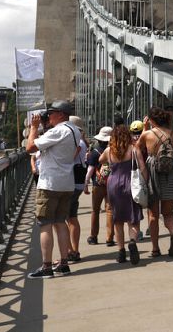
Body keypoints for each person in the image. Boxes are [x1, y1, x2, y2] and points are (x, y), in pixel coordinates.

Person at [25, 100, 82, 279]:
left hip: (50, 184)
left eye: (52, 113)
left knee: (45, 224)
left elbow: (30, 148)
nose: (48, 116)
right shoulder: (74, 131)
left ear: (62, 114)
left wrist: (33, 128)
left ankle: (47, 267)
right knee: (60, 222)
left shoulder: (59, 130)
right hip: (66, 183)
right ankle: (64, 263)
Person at [136, 107, 173, 257]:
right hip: (170, 174)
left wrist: (145, 128)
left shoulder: (147, 134)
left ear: (151, 120)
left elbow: (136, 150)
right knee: (168, 213)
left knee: (153, 214)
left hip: (152, 175)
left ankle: (155, 249)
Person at [99, 124, 146, 265]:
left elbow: (100, 160)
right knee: (133, 218)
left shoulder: (109, 150)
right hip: (130, 184)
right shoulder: (133, 149)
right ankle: (132, 241)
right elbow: (142, 167)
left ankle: (120, 252)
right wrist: (146, 184)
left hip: (113, 185)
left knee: (118, 220)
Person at [85, 126, 114, 247]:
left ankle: (93, 236)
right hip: (111, 183)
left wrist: (86, 183)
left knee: (95, 210)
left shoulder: (94, 151)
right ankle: (109, 238)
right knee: (110, 211)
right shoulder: (114, 150)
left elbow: (90, 170)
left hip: (98, 184)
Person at [66, 116, 88, 262]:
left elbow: (67, 160)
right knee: (72, 217)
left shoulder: (77, 142)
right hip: (78, 182)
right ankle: (75, 250)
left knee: (62, 219)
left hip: (71, 182)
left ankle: (70, 251)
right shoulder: (82, 141)